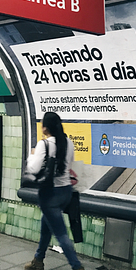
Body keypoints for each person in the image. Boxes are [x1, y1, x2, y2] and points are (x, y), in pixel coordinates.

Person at [24, 112, 84, 270]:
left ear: (46, 128)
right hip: (66, 192)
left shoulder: (44, 144)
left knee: (61, 235)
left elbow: (33, 168)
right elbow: (69, 166)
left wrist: (31, 156)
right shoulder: (68, 142)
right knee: (46, 227)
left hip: (50, 195)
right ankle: (38, 260)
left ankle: (77, 266)